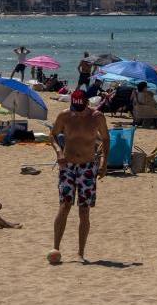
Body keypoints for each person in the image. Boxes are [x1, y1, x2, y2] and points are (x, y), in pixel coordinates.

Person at [48, 90, 110, 264]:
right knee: (64, 206)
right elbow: (52, 135)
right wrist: (58, 152)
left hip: (88, 167)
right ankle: (56, 248)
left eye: (80, 107)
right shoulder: (65, 116)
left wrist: (104, 163)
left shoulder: (97, 117)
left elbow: (105, 139)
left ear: (86, 103)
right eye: (74, 107)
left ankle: (80, 252)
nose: (77, 110)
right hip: (67, 166)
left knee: (84, 210)